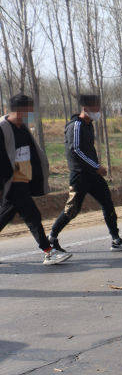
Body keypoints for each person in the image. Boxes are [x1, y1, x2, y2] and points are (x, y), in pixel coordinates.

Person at [49, 94, 122, 254]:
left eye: (99, 107)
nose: (98, 110)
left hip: (93, 175)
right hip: (80, 175)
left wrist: (95, 167)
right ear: (85, 108)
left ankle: (116, 240)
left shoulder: (89, 125)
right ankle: (52, 238)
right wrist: (96, 166)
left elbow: (88, 149)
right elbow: (76, 150)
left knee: (107, 203)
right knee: (72, 209)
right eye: (96, 107)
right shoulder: (76, 125)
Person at [0, 94, 70, 265]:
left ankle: (48, 251)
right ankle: (48, 251)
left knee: (6, 216)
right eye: (29, 111)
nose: (32, 114)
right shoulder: (2, 127)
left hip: (22, 177)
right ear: (20, 110)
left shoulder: (23, 128)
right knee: (32, 216)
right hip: (9, 180)